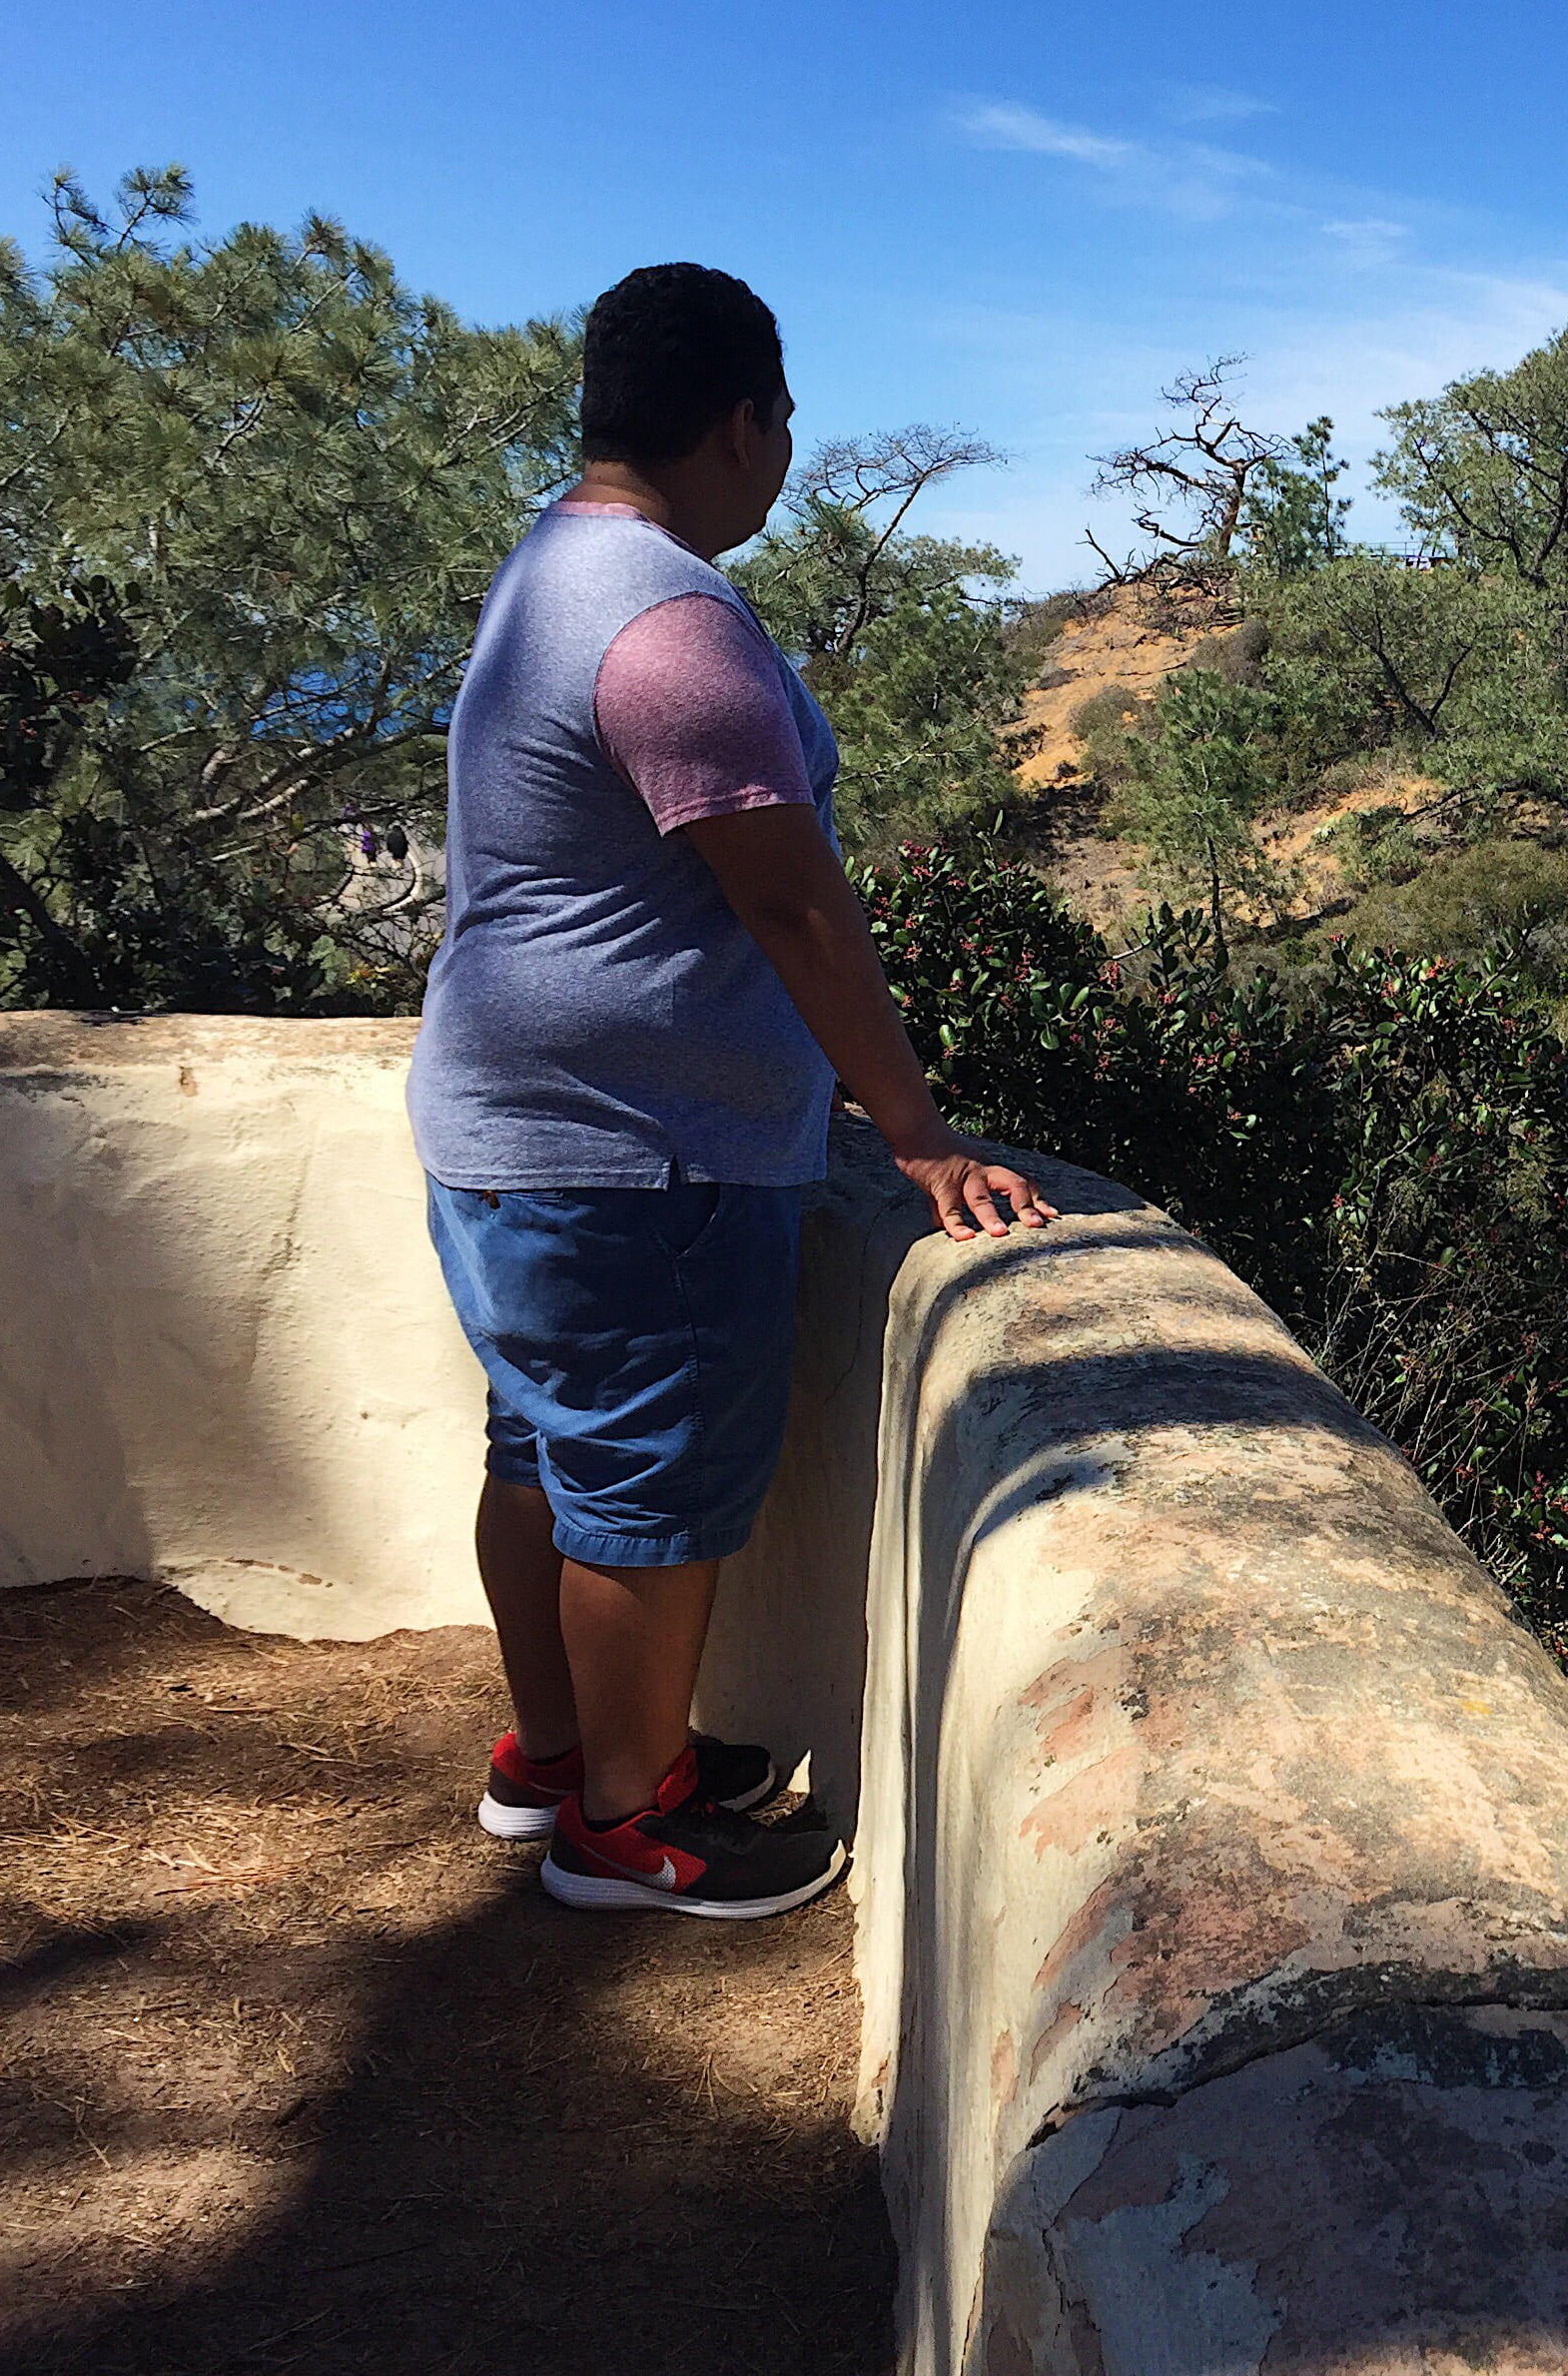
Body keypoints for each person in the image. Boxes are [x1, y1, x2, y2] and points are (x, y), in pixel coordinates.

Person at [407, 263, 1054, 1920]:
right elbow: (791, 900)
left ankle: (560, 1753)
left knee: (544, 1453)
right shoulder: (669, 621)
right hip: (638, 1153)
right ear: (741, 421)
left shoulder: (552, 565)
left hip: (513, 1123)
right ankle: (626, 1828)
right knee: (638, 1482)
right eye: (783, 422)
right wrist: (911, 1129)